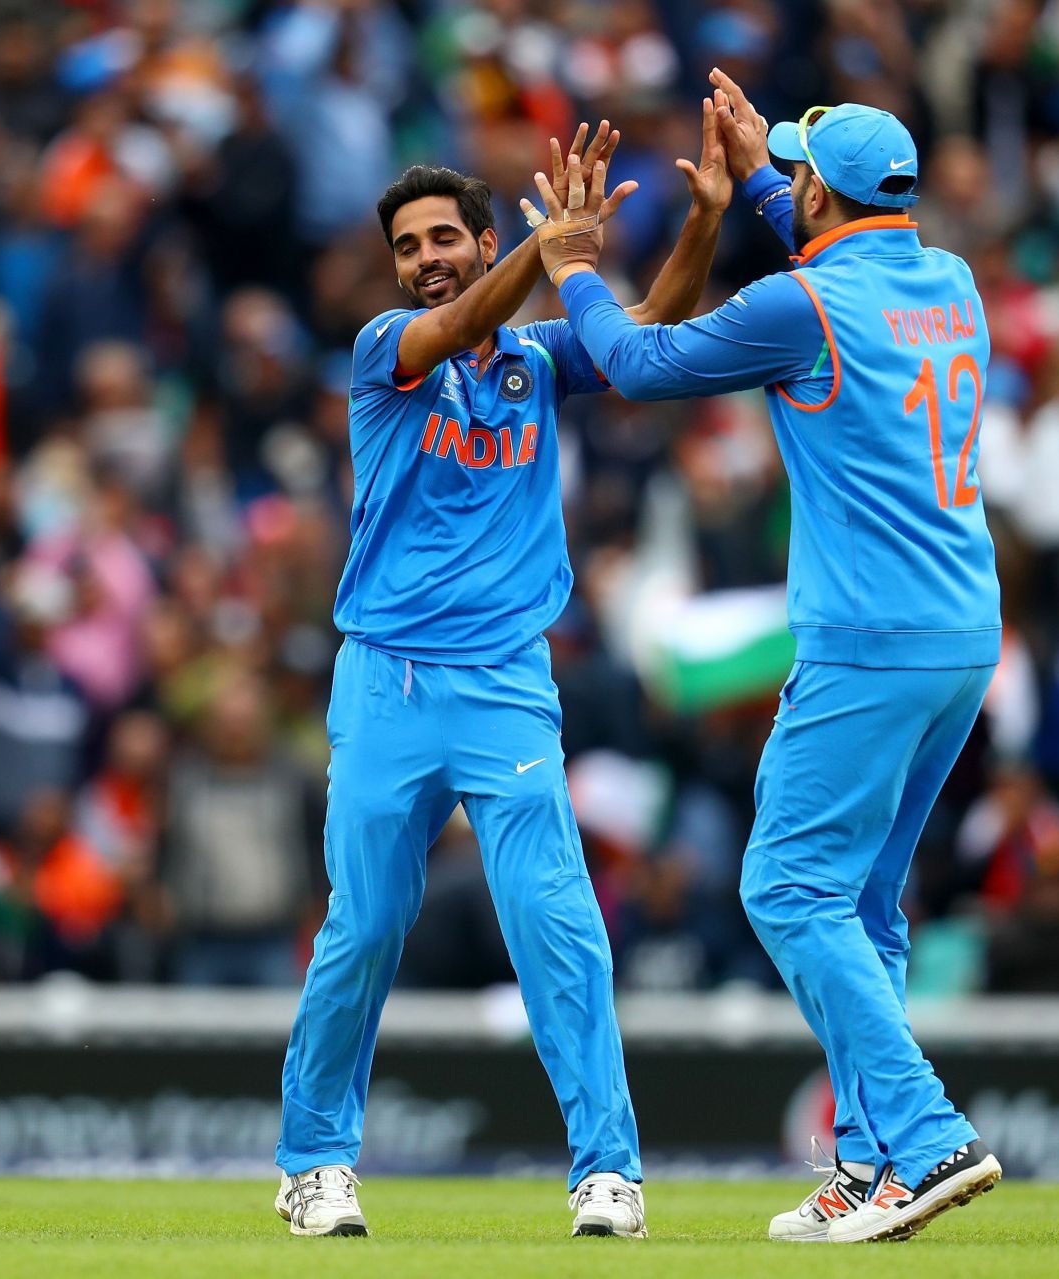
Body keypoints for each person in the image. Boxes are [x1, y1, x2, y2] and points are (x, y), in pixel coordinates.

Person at [524, 71, 1003, 1243]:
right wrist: (767, 191)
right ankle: (872, 1164)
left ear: (822, 193)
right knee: (864, 901)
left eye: (798, 174)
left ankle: (929, 1134)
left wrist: (574, 268)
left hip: (870, 637)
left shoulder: (803, 304)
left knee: (786, 886)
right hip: (961, 632)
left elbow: (636, 371)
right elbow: (846, 251)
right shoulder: (952, 283)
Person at [274, 112, 731, 1240]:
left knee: (554, 917)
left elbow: (651, 329)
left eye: (444, 239)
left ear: (483, 239)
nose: (425, 259)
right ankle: (315, 1161)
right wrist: (557, 244)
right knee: (367, 924)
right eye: (409, 247)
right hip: (386, 680)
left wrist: (707, 221)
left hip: (506, 683)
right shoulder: (386, 349)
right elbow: (467, 320)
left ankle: (606, 1168)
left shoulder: (535, 361)